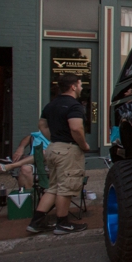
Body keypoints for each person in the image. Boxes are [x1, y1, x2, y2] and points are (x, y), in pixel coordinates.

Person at [27, 74, 90, 235]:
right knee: (66, 187)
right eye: (80, 84)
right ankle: (62, 223)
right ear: (73, 86)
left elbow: (42, 124)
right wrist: (83, 145)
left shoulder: (51, 105)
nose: (81, 87)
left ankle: (37, 222)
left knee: (53, 187)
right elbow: (76, 128)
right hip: (68, 150)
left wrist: (54, 138)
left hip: (53, 148)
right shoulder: (74, 106)